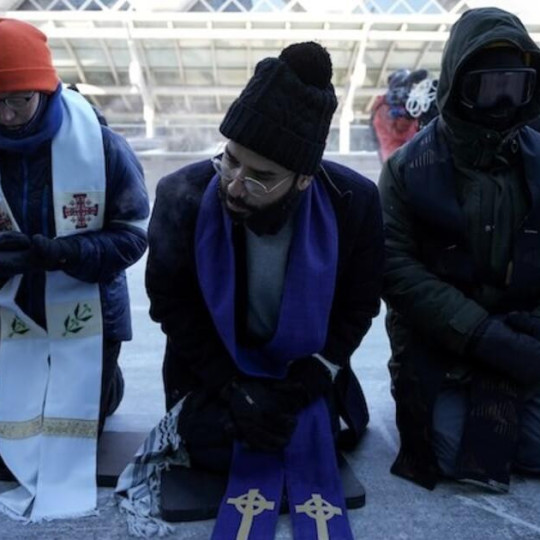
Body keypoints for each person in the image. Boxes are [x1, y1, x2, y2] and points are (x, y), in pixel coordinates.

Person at [116, 41, 383, 538]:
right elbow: (171, 306)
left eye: (261, 177)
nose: (235, 185)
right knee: (218, 439)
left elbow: (359, 305)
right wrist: (232, 387)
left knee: (308, 434)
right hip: (212, 369)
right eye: (231, 160)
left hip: (303, 368)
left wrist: (311, 379)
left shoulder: (355, 203)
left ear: (304, 179)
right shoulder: (184, 194)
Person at [379, 7, 540, 493]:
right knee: (450, 451)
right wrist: (480, 334)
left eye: (516, 87)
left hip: (525, 333)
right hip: (443, 342)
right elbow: (394, 267)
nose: (503, 103)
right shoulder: (411, 168)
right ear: (458, 85)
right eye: (488, 88)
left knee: (532, 448)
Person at [0, 18, 149, 521]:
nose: (7, 114)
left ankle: (111, 387)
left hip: (89, 316)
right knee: (13, 453)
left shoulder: (101, 145)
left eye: (19, 99)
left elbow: (133, 234)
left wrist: (61, 253)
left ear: (45, 90)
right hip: (8, 314)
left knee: (76, 431)